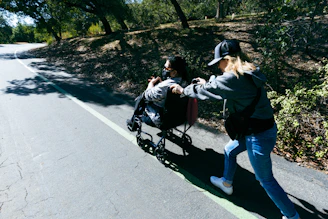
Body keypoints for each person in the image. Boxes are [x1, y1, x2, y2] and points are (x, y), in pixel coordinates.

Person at [170, 39, 300, 219]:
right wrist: (208, 82)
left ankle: (291, 216)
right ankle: (226, 183)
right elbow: (225, 86)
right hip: (261, 128)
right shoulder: (250, 71)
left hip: (257, 135)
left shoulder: (233, 78)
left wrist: (183, 90)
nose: (218, 67)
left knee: (265, 179)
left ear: (228, 59)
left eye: (219, 63)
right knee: (229, 150)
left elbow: (210, 89)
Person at [127, 55, 188, 131]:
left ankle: (133, 123)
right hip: (179, 118)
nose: (164, 70)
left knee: (141, 98)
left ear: (174, 72)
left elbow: (147, 95)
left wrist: (151, 83)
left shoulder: (165, 85)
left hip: (161, 120)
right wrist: (161, 84)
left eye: (166, 68)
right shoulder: (186, 84)